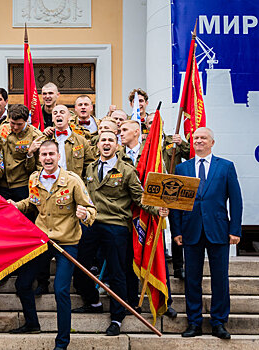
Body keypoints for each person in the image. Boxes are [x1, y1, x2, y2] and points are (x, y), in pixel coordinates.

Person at [73, 130, 167, 336]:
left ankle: (117, 316)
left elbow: (140, 198)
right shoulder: (90, 168)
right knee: (80, 266)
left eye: (110, 140)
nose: (106, 143)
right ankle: (93, 302)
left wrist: (156, 209)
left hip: (116, 226)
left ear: (117, 145)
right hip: (91, 224)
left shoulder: (126, 170)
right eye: (103, 140)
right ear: (97, 145)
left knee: (117, 273)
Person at [9, 139, 96, 350]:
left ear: (58, 156)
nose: (48, 158)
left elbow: (91, 209)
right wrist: (15, 205)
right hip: (42, 240)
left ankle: (62, 342)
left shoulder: (73, 180)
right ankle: (32, 324)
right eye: (44, 155)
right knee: (22, 284)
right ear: (39, 158)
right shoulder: (34, 178)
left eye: (51, 154)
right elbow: (32, 202)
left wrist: (85, 214)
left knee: (61, 291)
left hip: (67, 242)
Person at [170, 127, 242, 339]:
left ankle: (219, 322)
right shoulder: (182, 168)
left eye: (203, 138)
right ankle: (194, 322)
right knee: (192, 279)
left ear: (212, 142)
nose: (199, 141)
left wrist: (235, 229)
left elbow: (235, 200)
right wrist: (177, 230)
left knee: (220, 278)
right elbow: (176, 204)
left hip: (219, 230)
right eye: (196, 138)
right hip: (190, 230)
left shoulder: (226, 167)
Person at [34, 104, 95, 296]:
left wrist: (82, 189)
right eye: (55, 113)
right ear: (51, 118)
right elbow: (35, 167)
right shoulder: (44, 140)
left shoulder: (80, 140)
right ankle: (42, 282)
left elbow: (90, 164)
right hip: (48, 195)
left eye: (62, 112)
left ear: (70, 116)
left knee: (77, 244)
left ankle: (79, 286)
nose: (58, 115)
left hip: (74, 194)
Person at [146, 112, 189, 279]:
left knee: (177, 227)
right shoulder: (144, 144)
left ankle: (179, 267)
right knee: (156, 228)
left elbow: (191, 155)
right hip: (154, 191)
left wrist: (182, 144)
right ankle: (159, 263)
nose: (153, 125)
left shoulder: (172, 141)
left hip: (173, 189)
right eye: (150, 123)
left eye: (156, 122)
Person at [0, 104, 43, 205]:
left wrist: (30, 153)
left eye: (19, 124)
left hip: (22, 185)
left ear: (27, 121)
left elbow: (36, 168)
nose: (15, 127)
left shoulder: (36, 136)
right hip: (2, 184)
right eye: (12, 123)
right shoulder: (3, 129)